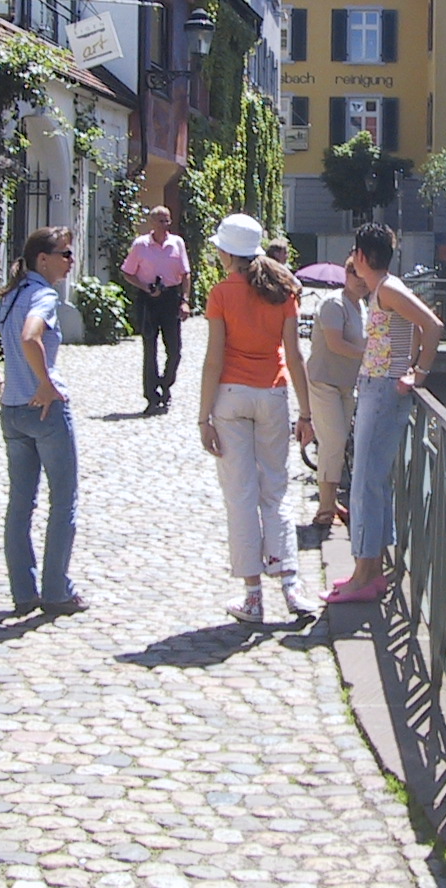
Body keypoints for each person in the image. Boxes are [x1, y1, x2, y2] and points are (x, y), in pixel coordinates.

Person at [198, 213, 317, 624]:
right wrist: (306, 412)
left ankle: (252, 596)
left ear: (227, 252)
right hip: (273, 393)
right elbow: (295, 355)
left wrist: (203, 417)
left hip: (231, 396)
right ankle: (291, 585)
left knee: (241, 495)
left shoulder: (220, 293)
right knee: (276, 493)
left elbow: (214, 359)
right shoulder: (284, 292)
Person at [0, 227, 87, 616]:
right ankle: (56, 590)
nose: (70, 261)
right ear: (43, 259)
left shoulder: (11, 294)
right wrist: (47, 383)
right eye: (65, 254)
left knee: (20, 503)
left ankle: (24, 591)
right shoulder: (42, 296)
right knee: (63, 499)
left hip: (13, 410)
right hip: (45, 411)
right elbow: (29, 337)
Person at [326, 223, 444, 606]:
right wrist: (409, 366)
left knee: (365, 484)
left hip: (383, 390)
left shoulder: (389, 289)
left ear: (361, 256)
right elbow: (413, 330)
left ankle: (365, 574)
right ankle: (370, 571)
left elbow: (432, 325)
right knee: (371, 483)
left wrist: (417, 374)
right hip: (379, 387)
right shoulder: (385, 289)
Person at [305, 259, 368, 528]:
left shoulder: (362, 306)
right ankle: (324, 508)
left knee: (337, 444)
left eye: (364, 274)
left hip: (345, 383)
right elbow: (335, 344)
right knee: (334, 441)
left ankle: (331, 503)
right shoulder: (334, 303)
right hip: (324, 381)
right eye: (354, 273)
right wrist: (371, 356)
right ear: (346, 273)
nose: (360, 279)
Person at [121, 206, 192, 412]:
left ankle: (166, 383)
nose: (165, 225)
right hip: (148, 299)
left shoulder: (177, 243)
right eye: (161, 221)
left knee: (175, 349)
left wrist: (185, 300)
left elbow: (185, 273)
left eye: (167, 221)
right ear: (151, 223)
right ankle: (152, 396)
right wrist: (145, 287)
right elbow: (128, 272)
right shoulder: (140, 245)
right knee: (149, 349)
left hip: (171, 297)